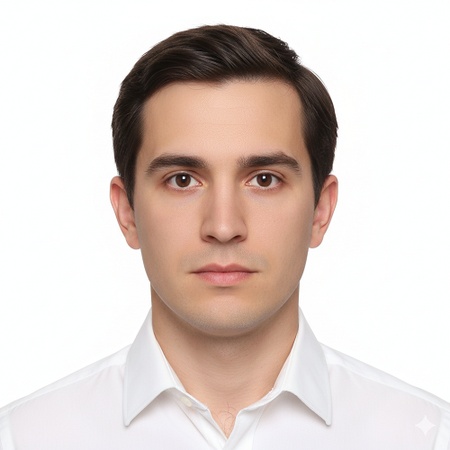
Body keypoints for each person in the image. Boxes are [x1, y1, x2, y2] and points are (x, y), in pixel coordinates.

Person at [0, 24, 449, 450]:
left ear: (320, 210)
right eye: (182, 180)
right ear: (127, 212)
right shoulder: (24, 438)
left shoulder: (424, 435)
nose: (223, 226)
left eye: (265, 179)